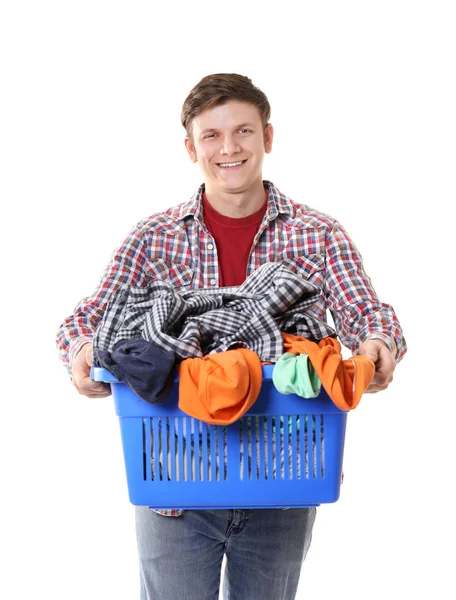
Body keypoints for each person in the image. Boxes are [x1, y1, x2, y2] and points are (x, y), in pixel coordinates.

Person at [56, 73, 406, 600]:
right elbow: (88, 318)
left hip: (284, 477)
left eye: (243, 131)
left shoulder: (318, 234)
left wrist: (378, 342)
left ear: (268, 136)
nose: (229, 148)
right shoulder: (154, 237)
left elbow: (364, 310)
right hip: (174, 481)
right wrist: (83, 353)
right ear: (190, 147)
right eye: (212, 136)